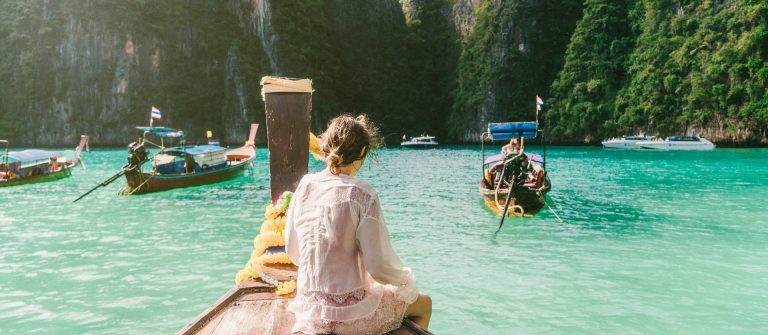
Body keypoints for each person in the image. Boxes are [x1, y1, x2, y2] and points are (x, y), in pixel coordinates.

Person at [285, 115, 432, 335]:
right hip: (350, 316)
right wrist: (406, 281)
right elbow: (378, 267)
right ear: (362, 153)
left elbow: (293, 252)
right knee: (424, 304)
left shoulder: (305, 185)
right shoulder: (362, 194)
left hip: (309, 311)